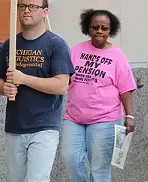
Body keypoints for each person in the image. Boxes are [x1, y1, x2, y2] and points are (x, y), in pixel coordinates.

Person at [0, 0, 74, 182]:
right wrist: (4, 88)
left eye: (32, 6)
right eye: (22, 6)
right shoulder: (10, 44)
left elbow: (61, 85)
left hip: (44, 127)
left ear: (45, 12)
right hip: (14, 126)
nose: (26, 10)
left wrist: (24, 78)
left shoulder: (56, 45)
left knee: (37, 179)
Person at [61, 9, 136, 182]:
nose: (99, 31)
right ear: (88, 28)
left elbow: (125, 89)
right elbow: (64, 79)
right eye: (95, 27)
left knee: (99, 169)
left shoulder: (117, 55)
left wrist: (130, 115)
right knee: (70, 159)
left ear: (111, 30)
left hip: (105, 119)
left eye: (104, 28)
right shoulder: (76, 50)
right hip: (74, 117)